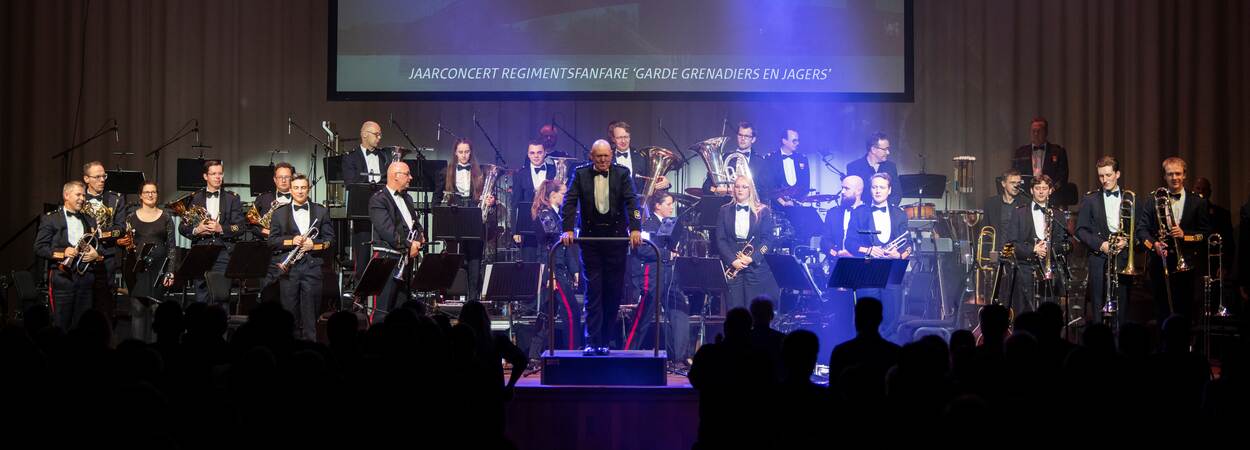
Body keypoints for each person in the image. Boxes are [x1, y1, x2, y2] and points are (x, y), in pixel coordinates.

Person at [560, 139, 642, 356]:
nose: (603, 160)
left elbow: (632, 203)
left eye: (606, 156)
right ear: (592, 156)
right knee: (593, 292)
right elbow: (569, 202)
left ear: (611, 155)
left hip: (615, 241)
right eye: (599, 156)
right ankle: (591, 341)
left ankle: (605, 341)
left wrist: (635, 228)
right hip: (591, 241)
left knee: (613, 292)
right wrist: (567, 228)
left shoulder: (622, 174)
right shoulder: (580, 174)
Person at [1137, 156, 1211, 323]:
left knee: (1185, 309)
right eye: (1170, 174)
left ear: (1184, 175)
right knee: (1161, 309)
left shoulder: (1198, 202)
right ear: (1164, 176)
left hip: (1187, 264)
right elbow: (1141, 230)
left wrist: (1185, 235)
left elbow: (1206, 233)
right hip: (1160, 262)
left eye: (1178, 173)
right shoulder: (1153, 199)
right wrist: (1153, 244)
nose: (1174, 178)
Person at [624, 191, 689, 364]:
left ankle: (678, 357)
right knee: (643, 316)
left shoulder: (670, 224)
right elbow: (642, 249)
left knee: (678, 311)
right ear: (657, 206)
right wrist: (668, 254)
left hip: (670, 275)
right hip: (652, 275)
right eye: (668, 204)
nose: (671, 207)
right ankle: (628, 353)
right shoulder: (646, 224)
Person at [268, 174, 335, 341]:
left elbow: (330, 240)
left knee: (311, 315)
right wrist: (291, 241)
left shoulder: (321, 211)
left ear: (309, 189)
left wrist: (314, 245)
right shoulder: (279, 213)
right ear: (290, 190)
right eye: (296, 188)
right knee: (289, 314)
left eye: (303, 188)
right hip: (289, 269)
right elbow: (272, 241)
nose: (299, 191)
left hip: (312, 267)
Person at [844, 173, 912, 338]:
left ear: (889, 190)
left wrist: (899, 254)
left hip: (892, 271)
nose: (877, 191)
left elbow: (909, 244)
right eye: (874, 187)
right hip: (867, 273)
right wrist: (868, 250)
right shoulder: (859, 212)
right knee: (867, 320)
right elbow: (849, 243)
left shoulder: (899, 214)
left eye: (881, 187)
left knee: (891, 319)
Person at [34, 180, 103, 328]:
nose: (82, 199)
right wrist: (62, 253)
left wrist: (95, 254)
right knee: (61, 324)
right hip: (62, 278)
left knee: (83, 326)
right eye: (78, 195)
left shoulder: (89, 219)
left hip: (85, 279)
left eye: (84, 195)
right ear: (66, 195)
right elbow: (39, 247)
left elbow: (98, 246)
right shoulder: (51, 219)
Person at [1075, 156, 1134, 327]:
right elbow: (1080, 230)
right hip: (1099, 258)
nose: (1104, 180)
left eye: (1108, 175)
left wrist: (1127, 242)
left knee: (1122, 308)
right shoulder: (1090, 199)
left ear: (1118, 174)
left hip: (1122, 259)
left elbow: (1138, 231)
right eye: (1101, 176)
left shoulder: (1131, 198)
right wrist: (1101, 245)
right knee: (1098, 306)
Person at [177, 159, 245, 303]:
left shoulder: (233, 198)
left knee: (222, 296)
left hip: (223, 252)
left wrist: (221, 228)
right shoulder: (194, 198)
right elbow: (182, 227)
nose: (217, 177)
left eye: (220, 173)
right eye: (213, 174)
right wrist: (197, 229)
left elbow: (241, 227)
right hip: (200, 252)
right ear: (205, 176)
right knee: (201, 296)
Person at [528, 179, 582, 356]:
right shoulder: (546, 215)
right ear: (553, 195)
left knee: (547, 313)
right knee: (570, 311)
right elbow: (551, 247)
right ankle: (572, 352)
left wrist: (574, 269)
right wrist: (552, 275)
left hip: (559, 269)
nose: (566, 197)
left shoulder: (556, 215)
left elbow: (565, 248)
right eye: (563, 193)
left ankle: (534, 355)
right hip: (554, 271)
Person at [367, 161, 426, 322]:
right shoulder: (378, 200)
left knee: (402, 309)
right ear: (395, 176)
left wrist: (420, 237)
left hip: (405, 261)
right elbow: (388, 231)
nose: (411, 177)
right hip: (388, 261)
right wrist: (409, 246)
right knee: (383, 310)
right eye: (407, 174)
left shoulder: (407, 198)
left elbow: (415, 224)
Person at [118, 181, 176, 341]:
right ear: (141, 196)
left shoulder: (166, 217)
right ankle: (138, 351)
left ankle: (155, 351)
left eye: (154, 192)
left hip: (159, 269)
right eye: (147, 192)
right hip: (137, 269)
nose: (150, 195)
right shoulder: (130, 217)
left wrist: (170, 271)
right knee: (137, 309)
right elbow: (126, 245)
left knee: (157, 310)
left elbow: (171, 247)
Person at [1003, 174, 1070, 313]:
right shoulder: (1019, 213)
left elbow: (1065, 243)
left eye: (1044, 188)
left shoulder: (1058, 215)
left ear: (1050, 190)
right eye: (1037, 188)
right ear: (1031, 190)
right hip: (1024, 270)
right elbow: (1009, 245)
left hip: (1050, 270)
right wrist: (1033, 249)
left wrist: (1048, 248)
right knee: (1023, 313)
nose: (1041, 191)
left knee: (1048, 313)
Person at [442, 138, 497, 301]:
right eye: (460, 152)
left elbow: (486, 197)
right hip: (455, 216)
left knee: (475, 258)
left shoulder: (480, 172)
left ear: (471, 152)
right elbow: (437, 199)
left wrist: (490, 201)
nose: (464, 155)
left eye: (467, 151)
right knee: (456, 258)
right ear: (455, 153)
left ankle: (473, 298)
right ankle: (453, 296)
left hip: (475, 217)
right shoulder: (446, 172)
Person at [715, 175, 780, 311]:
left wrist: (752, 258)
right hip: (733, 267)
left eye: (744, 187)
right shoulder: (724, 210)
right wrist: (732, 260)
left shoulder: (762, 211)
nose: (740, 190)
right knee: (735, 311)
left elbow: (768, 239)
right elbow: (720, 239)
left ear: (751, 189)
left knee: (754, 311)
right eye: (737, 186)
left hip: (754, 267)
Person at [343, 121, 392, 277]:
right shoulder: (350, 157)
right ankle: (360, 296)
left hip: (383, 211)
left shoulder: (385, 156)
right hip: (361, 210)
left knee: (383, 252)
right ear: (364, 134)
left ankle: (380, 294)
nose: (379, 138)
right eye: (376, 134)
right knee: (362, 255)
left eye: (380, 135)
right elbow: (351, 183)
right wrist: (373, 183)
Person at [511, 139, 555, 262]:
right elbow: (515, 203)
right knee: (529, 265)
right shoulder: (520, 174)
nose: (536, 156)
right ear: (528, 154)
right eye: (532, 153)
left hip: (548, 225)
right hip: (527, 225)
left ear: (545, 153)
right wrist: (515, 230)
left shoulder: (554, 171)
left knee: (548, 264)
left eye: (539, 152)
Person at [1011, 117, 1071, 205]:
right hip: (1027, 197)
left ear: (1046, 132)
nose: (1036, 134)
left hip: (1052, 197)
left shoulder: (1058, 151)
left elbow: (1063, 176)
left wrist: (1050, 189)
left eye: (1039, 131)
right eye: (1033, 131)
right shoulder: (1020, 152)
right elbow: (1015, 174)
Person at [703, 121, 768, 196]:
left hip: (750, 206)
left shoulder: (761, 162)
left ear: (753, 139)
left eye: (746, 136)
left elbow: (765, 191)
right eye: (740, 135)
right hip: (726, 204)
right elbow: (706, 187)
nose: (742, 139)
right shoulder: (724, 158)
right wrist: (716, 190)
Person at [607, 120, 670, 192]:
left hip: (637, 202)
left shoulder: (641, 158)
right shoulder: (607, 158)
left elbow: (652, 180)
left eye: (626, 137)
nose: (623, 141)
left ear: (630, 137)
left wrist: (666, 183)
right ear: (613, 139)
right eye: (619, 138)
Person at [846, 132, 901, 206]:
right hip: (862, 214)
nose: (888, 152)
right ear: (873, 149)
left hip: (885, 213)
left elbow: (897, 194)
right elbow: (852, 195)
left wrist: (887, 208)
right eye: (885, 149)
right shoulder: (854, 167)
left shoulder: (891, 167)